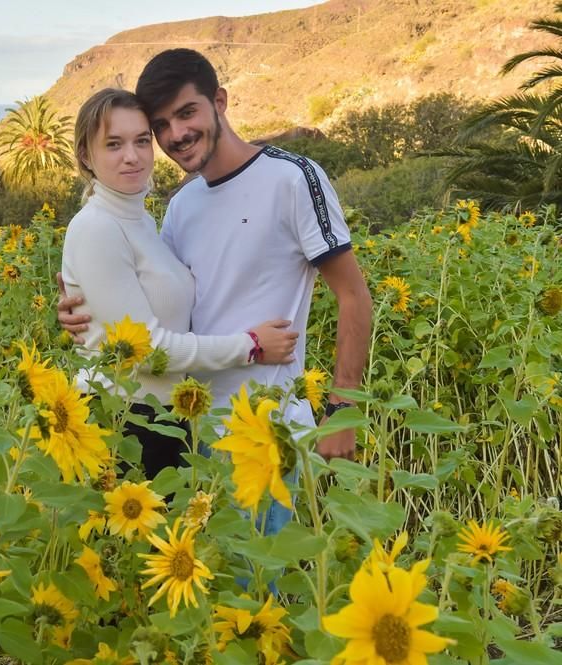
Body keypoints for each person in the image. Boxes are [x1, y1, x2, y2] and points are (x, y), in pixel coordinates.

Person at [60, 49, 372, 471]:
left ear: (219, 102)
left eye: (188, 112)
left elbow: (353, 295)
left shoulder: (293, 179)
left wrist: (340, 410)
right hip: (190, 431)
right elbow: (157, 302)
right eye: (162, 125)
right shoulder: (181, 205)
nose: (177, 134)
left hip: (265, 429)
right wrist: (85, 311)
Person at [62, 87, 299, 479]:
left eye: (141, 141)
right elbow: (148, 347)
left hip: (161, 420)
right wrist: (251, 346)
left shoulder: (139, 222)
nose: (132, 156)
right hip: (122, 423)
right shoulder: (96, 227)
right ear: (86, 155)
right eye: (113, 144)